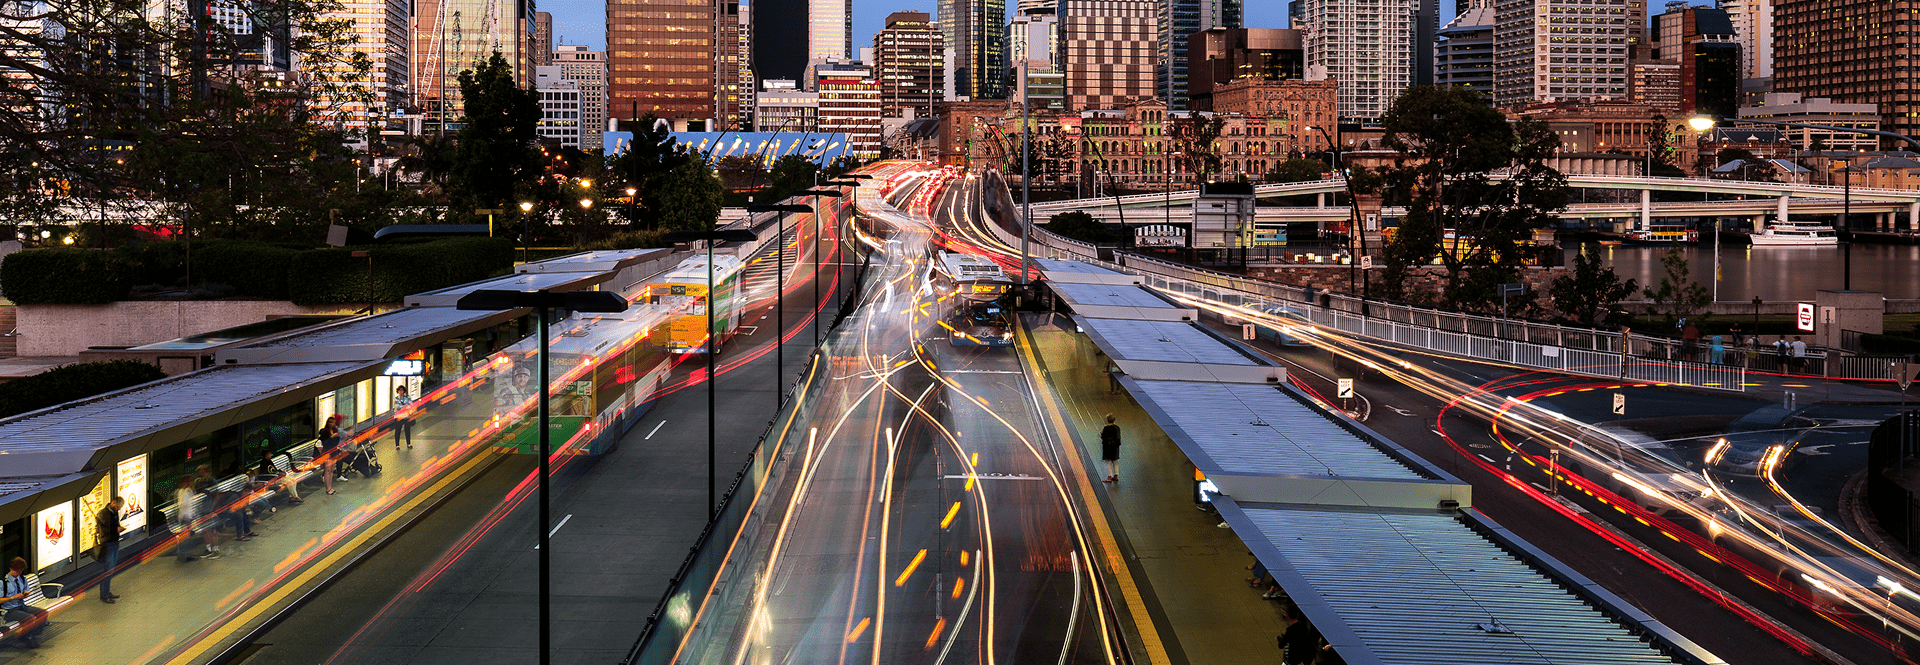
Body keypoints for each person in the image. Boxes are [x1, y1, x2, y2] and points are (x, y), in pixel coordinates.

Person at [2, 558, 48, 648]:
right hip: (9, 610)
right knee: (30, 618)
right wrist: (12, 598)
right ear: (11, 569)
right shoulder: (3, 583)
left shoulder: (22, 579)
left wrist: (26, 593)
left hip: (21, 606)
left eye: (20, 571)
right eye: (17, 571)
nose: (18, 573)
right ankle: (27, 637)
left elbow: (26, 589)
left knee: (43, 613)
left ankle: (29, 635)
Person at [96, 497, 123, 603]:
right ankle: (104, 594)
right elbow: (105, 529)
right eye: (118, 506)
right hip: (108, 544)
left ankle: (106, 591)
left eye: (120, 507)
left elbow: (115, 525)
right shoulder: (104, 513)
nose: (118, 509)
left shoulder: (114, 513)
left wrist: (118, 528)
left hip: (114, 542)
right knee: (108, 569)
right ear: (113, 502)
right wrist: (116, 530)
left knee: (111, 569)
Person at [319, 414, 343, 495]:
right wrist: (333, 437)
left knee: (332, 470)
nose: (333, 424)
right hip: (328, 452)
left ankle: (330, 487)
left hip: (334, 451)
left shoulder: (335, 430)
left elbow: (336, 442)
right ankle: (328, 489)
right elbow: (326, 442)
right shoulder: (324, 431)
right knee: (328, 470)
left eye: (334, 422)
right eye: (331, 422)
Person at [392, 385, 416, 450]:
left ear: (404, 391)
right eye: (399, 390)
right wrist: (405, 406)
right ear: (398, 391)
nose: (401, 391)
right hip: (399, 417)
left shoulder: (407, 397)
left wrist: (403, 406)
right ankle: (397, 445)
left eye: (402, 390)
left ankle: (408, 443)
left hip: (406, 416)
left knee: (407, 430)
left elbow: (410, 405)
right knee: (398, 431)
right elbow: (397, 407)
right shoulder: (396, 398)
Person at [1100, 414, 1122, 483]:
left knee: (1108, 462)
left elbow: (1104, 437)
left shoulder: (1106, 428)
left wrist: (1102, 436)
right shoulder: (1117, 428)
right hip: (1115, 447)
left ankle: (1109, 477)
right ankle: (1115, 476)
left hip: (1108, 448)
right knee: (1115, 461)